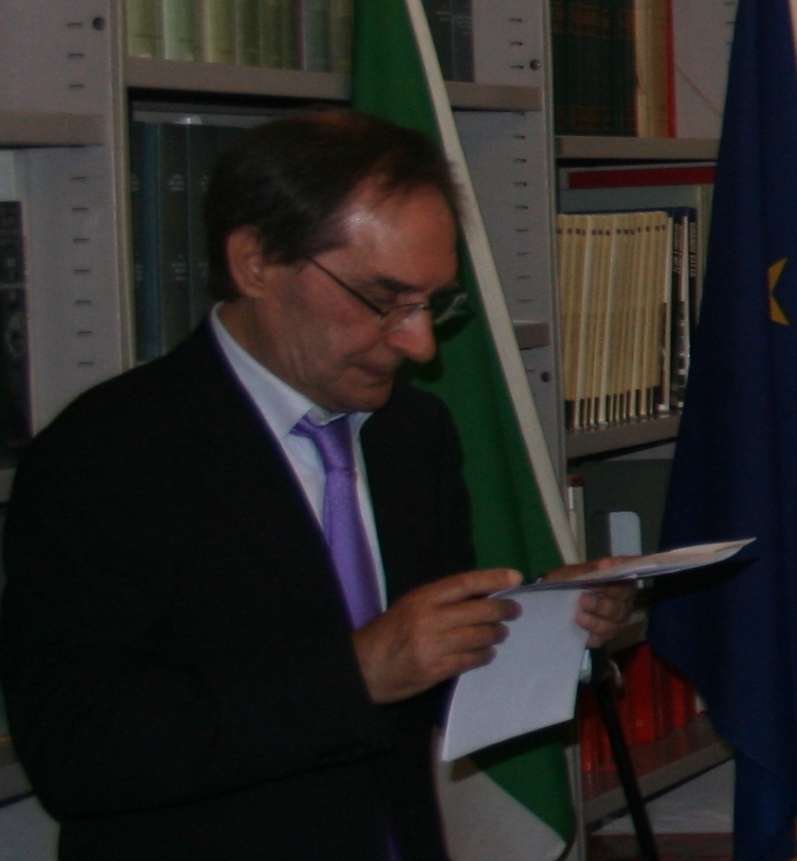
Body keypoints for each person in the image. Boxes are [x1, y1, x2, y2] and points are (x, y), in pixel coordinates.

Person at [0, 110, 633, 861]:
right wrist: (360, 672)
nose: (419, 343)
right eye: (382, 300)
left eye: (433, 303)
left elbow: (432, 690)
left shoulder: (412, 433)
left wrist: (546, 629)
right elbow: (79, 751)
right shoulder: (108, 453)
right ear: (255, 263)